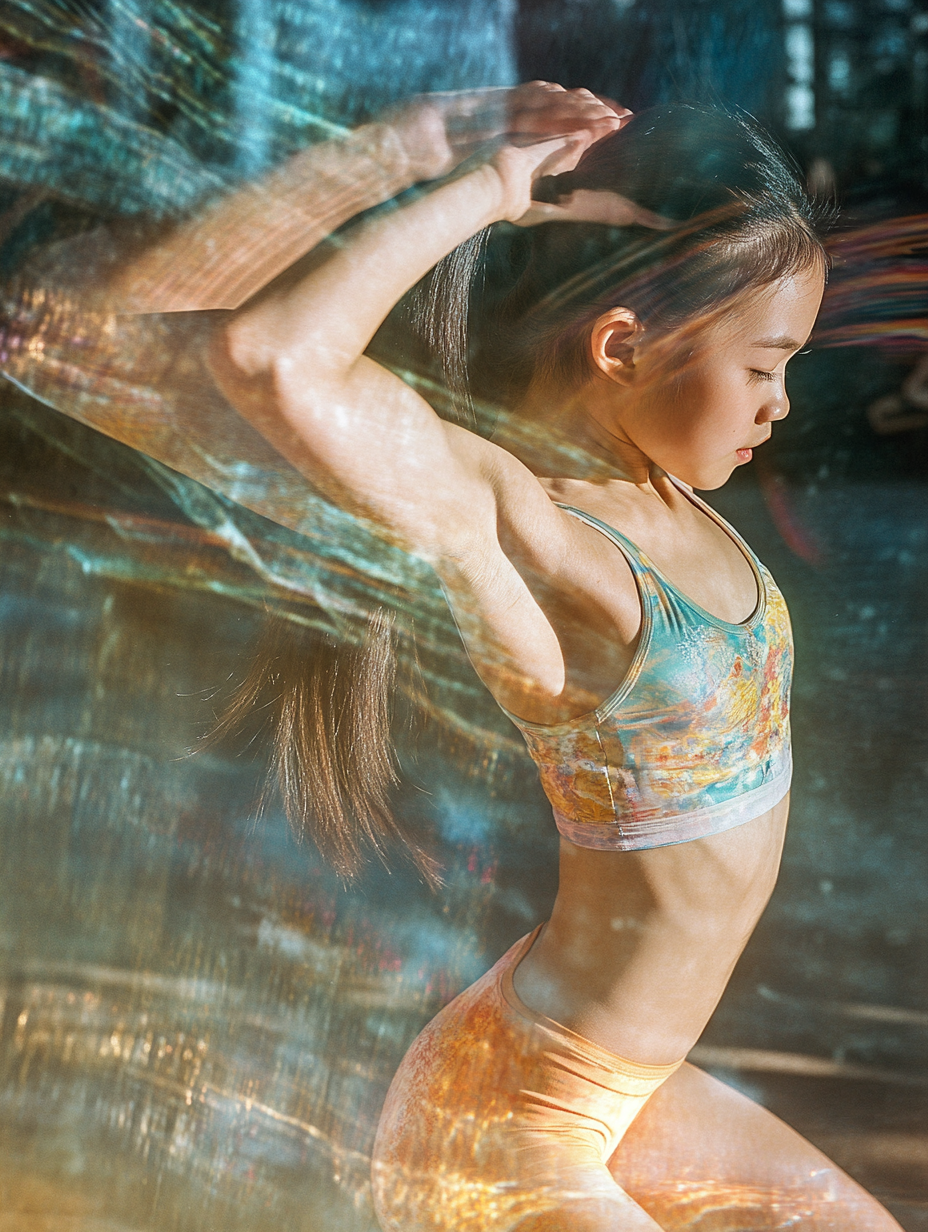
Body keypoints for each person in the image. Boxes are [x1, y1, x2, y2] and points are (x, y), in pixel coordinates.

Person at [204, 85, 904, 1231]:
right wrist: (473, 185)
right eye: (766, 364)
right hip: (506, 1126)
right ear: (622, 345)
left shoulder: (667, 487)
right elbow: (271, 353)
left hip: (617, 1094)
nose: (782, 404)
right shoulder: (537, 529)